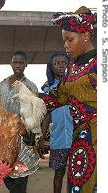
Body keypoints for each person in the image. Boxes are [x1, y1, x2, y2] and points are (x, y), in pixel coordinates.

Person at [39, 6, 97, 193]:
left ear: (86, 36)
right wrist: (37, 101)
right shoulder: (72, 66)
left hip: (98, 138)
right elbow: (60, 97)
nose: (65, 45)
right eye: (64, 40)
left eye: (70, 40)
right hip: (77, 139)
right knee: (77, 185)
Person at [0, 51, 39, 193]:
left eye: (21, 62)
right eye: (15, 62)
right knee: (5, 174)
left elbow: (34, 116)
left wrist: (31, 141)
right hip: (3, 139)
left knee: (20, 178)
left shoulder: (31, 87)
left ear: (26, 64)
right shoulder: (2, 85)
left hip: (22, 140)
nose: (18, 65)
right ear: (11, 63)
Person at [40, 52, 73, 193]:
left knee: (76, 173)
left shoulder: (74, 85)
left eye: (64, 63)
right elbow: (47, 115)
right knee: (59, 174)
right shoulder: (48, 90)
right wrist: (41, 136)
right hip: (58, 139)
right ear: (51, 67)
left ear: (68, 65)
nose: (61, 65)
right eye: (56, 63)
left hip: (76, 137)